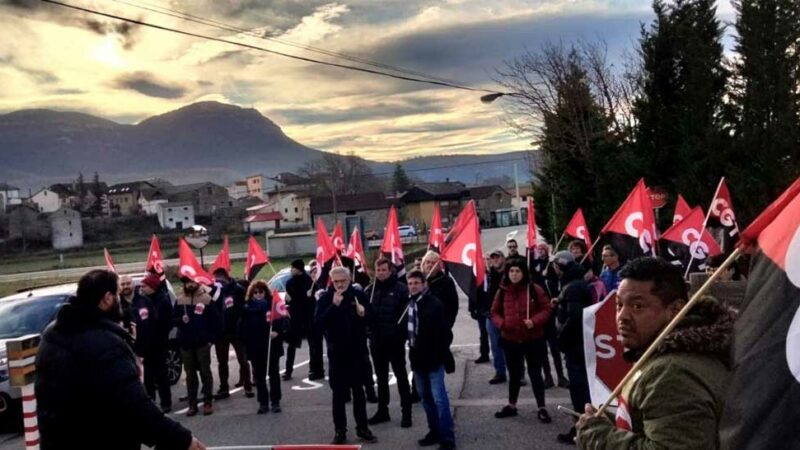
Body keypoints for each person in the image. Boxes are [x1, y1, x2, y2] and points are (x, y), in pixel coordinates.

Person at [36, 269, 206, 450]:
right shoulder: (104, 344)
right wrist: (182, 439)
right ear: (107, 298)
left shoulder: (52, 333)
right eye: (117, 294)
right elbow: (134, 407)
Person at [576, 257, 735, 449]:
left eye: (637, 306)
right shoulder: (664, 356)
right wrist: (611, 422)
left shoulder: (671, 373)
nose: (622, 317)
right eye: (619, 305)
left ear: (675, 310)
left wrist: (599, 437)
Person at [315, 266, 378, 445]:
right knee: (339, 396)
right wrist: (333, 306)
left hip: (357, 353)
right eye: (336, 282)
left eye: (343, 281)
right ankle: (340, 431)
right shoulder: (326, 298)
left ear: (349, 280)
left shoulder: (357, 295)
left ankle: (362, 428)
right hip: (337, 354)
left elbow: (372, 320)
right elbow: (318, 325)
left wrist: (363, 314)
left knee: (359, 393)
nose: (340, 284)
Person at [490, 260, 553, 423]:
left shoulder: (534, 289)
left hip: (533, 339)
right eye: (511, 271)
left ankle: (541, 407)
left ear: (523, 273)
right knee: (514, 374)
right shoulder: (502, 291)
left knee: (535, 373)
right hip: (510, 339)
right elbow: (494, 312)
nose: (514, 274)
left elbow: (546, 309)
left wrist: (534, 321)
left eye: (518, 271)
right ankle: (512, 405)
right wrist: (502, 324)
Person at [407, 270, 456, 450]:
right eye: (410, 283)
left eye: (416, 283)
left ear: (424, 284)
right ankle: (433, 431)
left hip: (434, 360)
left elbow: (445, 334)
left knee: (439, 399)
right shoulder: (410, 304)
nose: (413, 286)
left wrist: (442, 356)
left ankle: (447, 438)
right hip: (417, 360)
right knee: (425, 398)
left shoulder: (434, 304)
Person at [551, 250, 593, 444]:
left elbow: (575, 317)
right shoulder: (573, 283)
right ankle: (581, 426)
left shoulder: (573, 286)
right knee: (579, 388)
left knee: (579, 389)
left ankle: (582, 429)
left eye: (555, 266)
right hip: (577, 344)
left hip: (575, 345)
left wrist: (562, 339)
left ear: (561, 266)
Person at [365, 258, 412, 427]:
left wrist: (398, 334)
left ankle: (406, 413)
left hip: (395, 342)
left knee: (401, 377)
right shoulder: (370, 290)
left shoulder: (401, 290)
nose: (381, 273)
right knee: (382, 378)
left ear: (390, 270)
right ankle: (382, 411)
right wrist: (369, 333)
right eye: (378, 270)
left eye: (384, 270)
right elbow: (365, 316)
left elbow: (407, 316)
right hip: (377, 343)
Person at [238, 280, 288, 414]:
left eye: (261, 292)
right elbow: (242, 328)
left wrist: (277, 332)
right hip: (256, 347)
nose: (258, 294)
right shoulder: (247, 308)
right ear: (251, 293)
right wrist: (246, 342)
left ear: (265, 292)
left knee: (273, 374)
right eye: (255, 292)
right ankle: (263, 402)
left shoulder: (273, 305)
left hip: (272, 346)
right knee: (259, 376)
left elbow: (282, 321)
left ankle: (275, 401)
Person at [174, 278, 222, 417]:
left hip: (202, 344)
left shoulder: (206, 299)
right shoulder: (180, 300)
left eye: (192, 282)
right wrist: (179, 320)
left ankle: (208, 402)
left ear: (197, 283)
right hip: (186, 344)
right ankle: (192, 404)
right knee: (190, 376)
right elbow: (172, 320)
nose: (190, 285)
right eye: (187, 283)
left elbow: (216, 321)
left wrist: (210, 340)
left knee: (205, 373)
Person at [530, 244, 568, 389]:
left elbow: (558, 284)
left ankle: (561, 376)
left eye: (542, 250)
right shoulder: (532, 264)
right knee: (542, 350)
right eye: (538, 250)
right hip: (539, 315)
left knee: (554, 348)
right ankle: (547, 377)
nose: (540, 252)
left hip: (550, 314)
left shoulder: (552, 265)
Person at [212, 268, 252, 400]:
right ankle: (224, 388)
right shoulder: (215, 291)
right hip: (220, 332)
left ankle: (248, 386)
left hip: (236, 330)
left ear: (224, 277)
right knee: (222, 361)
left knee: (243, 360)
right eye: (215, 279)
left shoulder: (238, 289)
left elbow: (244, 308)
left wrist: (241, 323)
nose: (217, 281)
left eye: (218, 279)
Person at [138, 273, 174, 413]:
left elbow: (163, 323)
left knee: (161, 375)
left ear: (152, 287)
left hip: (158, 344)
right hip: (146, 345)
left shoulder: (162, 301)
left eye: (144, 286)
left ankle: (166, 402)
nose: (142, 288)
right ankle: (151, 402)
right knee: (148, 377)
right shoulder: (144, 300)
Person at [283, 259, 316, 380]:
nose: (291, 270)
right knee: (292, 345)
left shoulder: (309, 282)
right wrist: (287, 299)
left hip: (307, 317)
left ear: (299, 269)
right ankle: (288, 370)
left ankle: (313, 369)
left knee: (312, 345)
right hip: (295, 318)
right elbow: (289, 300)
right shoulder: (289, 282)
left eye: (293, 268)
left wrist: (310, 296)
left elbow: (313, 300)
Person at [486, 251, 508, 384]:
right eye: (492, 258)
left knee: (513, 345)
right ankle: (500, 372)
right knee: (495, 345)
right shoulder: (488, 275)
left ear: (503, 259)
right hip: (492, 315)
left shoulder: (509, 273)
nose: (495, 260)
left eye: (497, 257)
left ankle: (519, 373)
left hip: (507, 314)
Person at [469, 259, 492, 366]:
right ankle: (484, 354)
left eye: (487, 260)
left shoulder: (493, 274)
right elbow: (472, 293)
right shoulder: (476, 277)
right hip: (481, 309)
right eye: (483, 261)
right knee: (483, 333)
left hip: (493, 308)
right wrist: (472, 308)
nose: (485, 263)